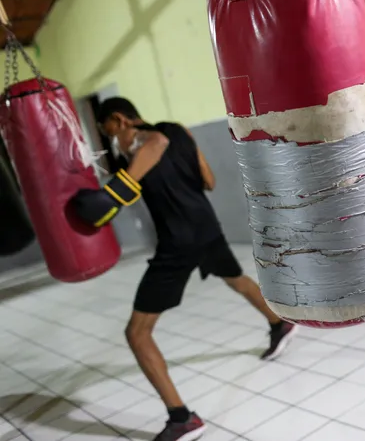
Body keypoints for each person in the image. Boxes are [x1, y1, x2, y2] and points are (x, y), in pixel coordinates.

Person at [71, 97, 298, 441]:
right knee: (235, 279)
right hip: (205, 226)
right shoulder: (179, 131)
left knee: (137, 333)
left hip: (177, 242)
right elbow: (208, 181)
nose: (111, 139)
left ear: (119, 120)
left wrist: (116, 191)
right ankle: (279, 323)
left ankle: (182, 419)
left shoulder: (145, 144)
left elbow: (155, 143)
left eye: (108, 130)